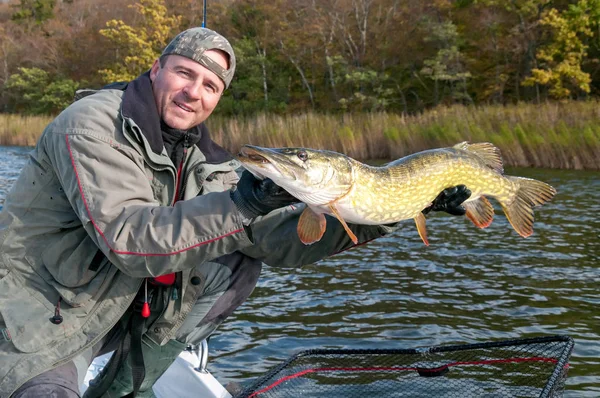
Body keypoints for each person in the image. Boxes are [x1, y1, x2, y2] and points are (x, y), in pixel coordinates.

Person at [0, 27, 470, 398]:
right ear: (155, 68)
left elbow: (277, 243)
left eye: (210, 86)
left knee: (240, 257)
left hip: (120, 305)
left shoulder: (208, 159)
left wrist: (392, 212)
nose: (194, 93)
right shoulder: (93, 125)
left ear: (218, 98)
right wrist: (243, 204)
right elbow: (128, 239)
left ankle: (128, 387)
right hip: (39, 315)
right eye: (184, 74)